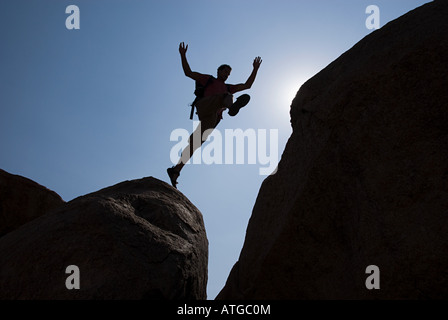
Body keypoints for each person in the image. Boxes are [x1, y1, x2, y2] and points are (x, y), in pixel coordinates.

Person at [167, 42, 262, 188]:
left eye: (229, 74)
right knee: (226, 95)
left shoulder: (228, 86)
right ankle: (232, 107)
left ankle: (175, 171)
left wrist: (255, 69)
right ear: (219, 71)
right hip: (204, 106)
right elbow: (188, 72)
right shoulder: (209, 79)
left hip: (213, 116)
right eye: (225, 72)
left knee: (195, 143)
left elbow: (247, 85)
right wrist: (183, 55)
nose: (227, 75)